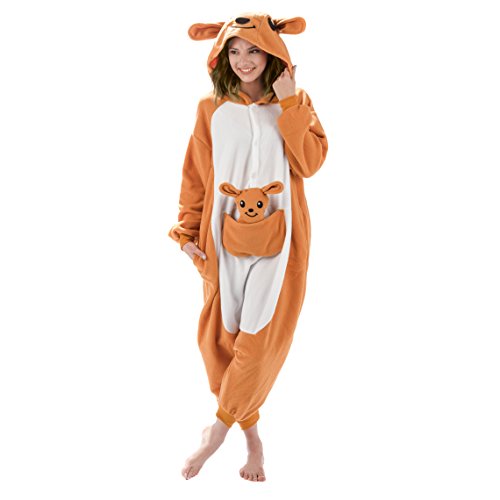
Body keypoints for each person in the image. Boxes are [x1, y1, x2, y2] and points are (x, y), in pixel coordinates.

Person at [168, 12, 329, 481]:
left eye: (253, 50)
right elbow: (196, 175)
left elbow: (310, 162)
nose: (243, 61)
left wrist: (291, 101)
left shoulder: (295, 102)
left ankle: (216, 433)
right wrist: (187, 233)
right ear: (222, 56)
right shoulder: (211, 108)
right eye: (234, 51)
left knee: (259, 341)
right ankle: (253, 438)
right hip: (222, 241)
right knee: (221, 344)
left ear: (272, 52)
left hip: (282, 243)